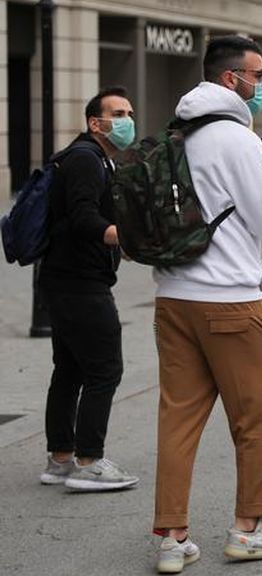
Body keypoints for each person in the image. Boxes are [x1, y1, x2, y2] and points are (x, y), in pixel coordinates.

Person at [150, 35, 262, 574]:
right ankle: (251, 528)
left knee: (178, 420)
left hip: (173, 298)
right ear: (232, 79)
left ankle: (171, 537)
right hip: (231, 302)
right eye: (259, 76)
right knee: (257, 418)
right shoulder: (235, 140)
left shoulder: (178, 132)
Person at [38, 86, 140, 492]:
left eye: (129, 111)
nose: (127, 120)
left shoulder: (91, 157)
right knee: (105, 369)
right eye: (118, 113)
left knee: (70, 369)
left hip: (64, 281)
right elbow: (83, 218)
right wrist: (125, 237)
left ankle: (60, 458)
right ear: (95, 123)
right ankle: (89, 461)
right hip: (80, 284)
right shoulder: (85, 159)